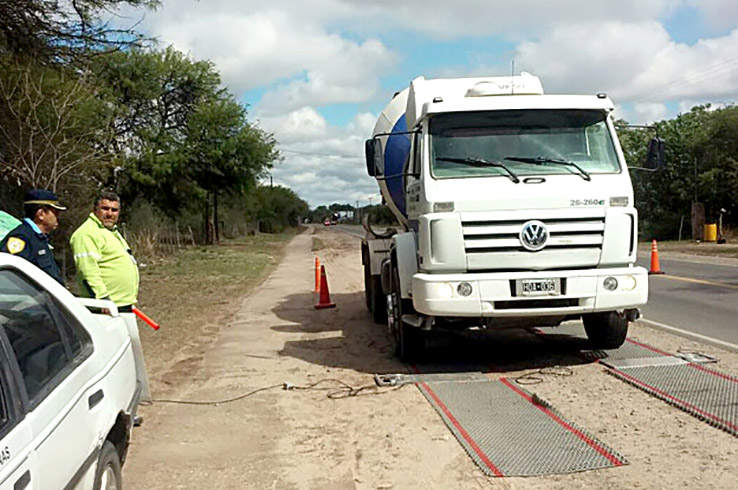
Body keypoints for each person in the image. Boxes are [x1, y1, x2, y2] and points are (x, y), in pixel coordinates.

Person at [70, 191, 152, 412]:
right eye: (105, 209)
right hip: (107, 310)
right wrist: (104, 301)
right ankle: (122, 411)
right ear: (95, 209)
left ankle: (132, 406)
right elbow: (89, 271)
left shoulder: (111, 233)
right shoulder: (87, 233)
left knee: (130, 360)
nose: (110, 213)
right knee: (119, 365)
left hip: (124, 307)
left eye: (114, 210)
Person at [0, 189, 66, 285]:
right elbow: (11, 280)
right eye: (55, 212)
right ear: (41, 214)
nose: (58, 217)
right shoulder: (22, 238)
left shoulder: (38, 238)